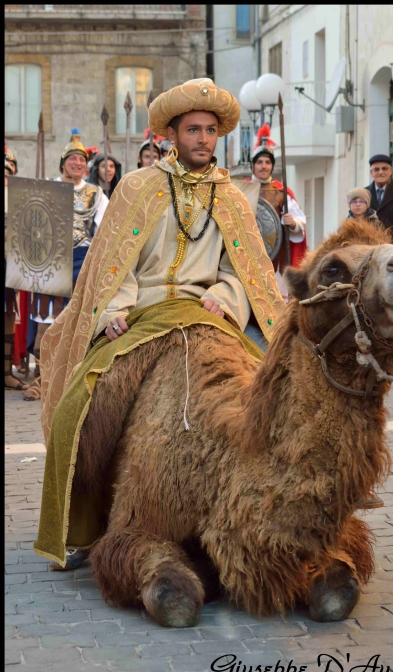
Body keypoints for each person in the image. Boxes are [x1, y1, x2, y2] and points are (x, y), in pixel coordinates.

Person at [35, 77, 285, 570]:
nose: (203, 140)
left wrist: (224, 295)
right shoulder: (136, 188)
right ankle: (86, 525)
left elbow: (244, 272)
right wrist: (112, 312)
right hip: (140, 314)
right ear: (172, 134)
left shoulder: (233, 198)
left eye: (211, 131)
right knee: (76, 410)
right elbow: (114, 266)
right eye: (193, 129)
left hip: (206, 312)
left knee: (274, 391)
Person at [23, 129, 109, 401]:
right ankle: (41, 379)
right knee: (47, 318)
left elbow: (104, 229)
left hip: (82, 260)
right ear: (63, 163)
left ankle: (71, 380)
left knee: (78, 319)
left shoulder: (96, 194)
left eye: (82, 160)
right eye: (73, 159)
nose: (78, 164)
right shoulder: (47, 187)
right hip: (49, 258)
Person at [245, 124, 307, 301]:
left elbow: (300, 222)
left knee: (275, 303)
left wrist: (292, 223)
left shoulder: (281, 192)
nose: (264, 166)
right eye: (259, 162)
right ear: (253, 165)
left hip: (275, 258)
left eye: (267, 162)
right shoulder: (242, 189)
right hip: (248, 253)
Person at [5, 153, 30, 391]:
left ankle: (6, 373)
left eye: (8, 171)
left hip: (9, 264)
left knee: (8, 316)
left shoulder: (16, 198)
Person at [365, 154, 393, 244]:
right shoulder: (364, 193)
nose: (381, 172)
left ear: (391, 171)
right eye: (376, 169)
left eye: (384, 169)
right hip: (370, 245)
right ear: (371, 173)